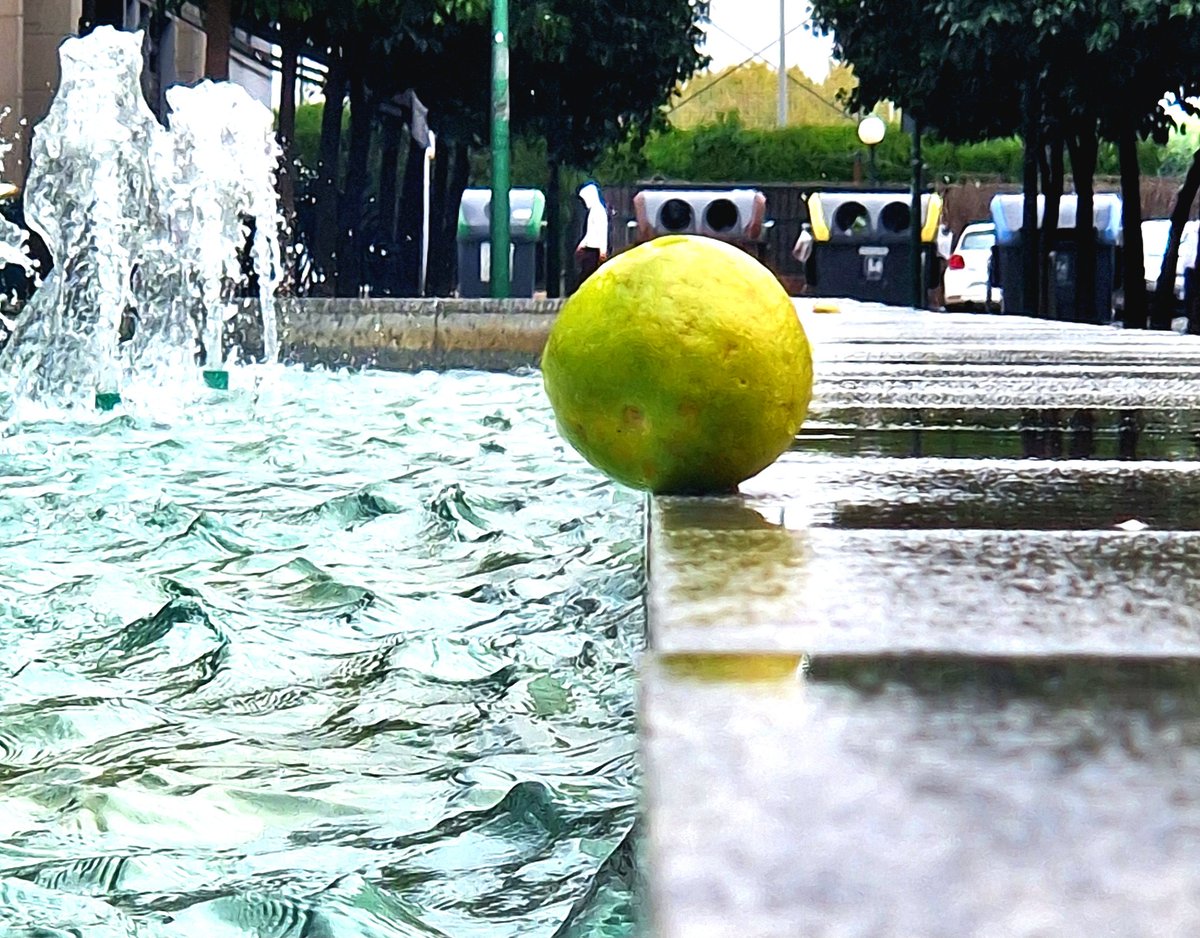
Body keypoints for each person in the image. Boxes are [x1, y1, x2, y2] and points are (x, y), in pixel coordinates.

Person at [574, 182, 608, 287]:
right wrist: (582, 244)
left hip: (594, 250)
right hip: (590, 249)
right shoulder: (593, 211)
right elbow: (590, 232)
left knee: (588, 277)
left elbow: (602, 231)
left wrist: (602, 250)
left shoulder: (598, 211)